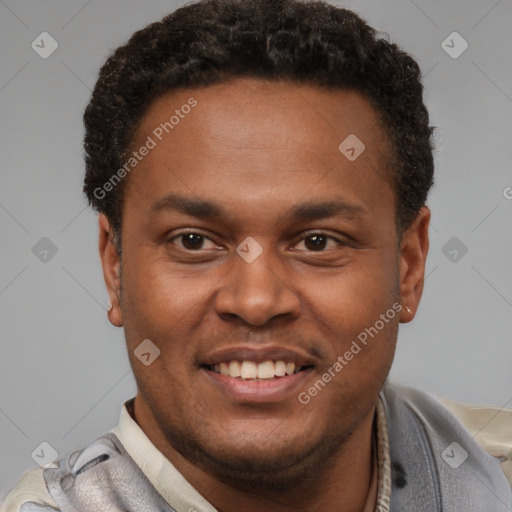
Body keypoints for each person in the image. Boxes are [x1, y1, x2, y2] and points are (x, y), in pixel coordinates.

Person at [2, 0, 511, 510]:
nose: (256, 301)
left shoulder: (495, 475)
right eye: (193, 241)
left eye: (317, 241)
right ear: (116, 270)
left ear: (409, 265)